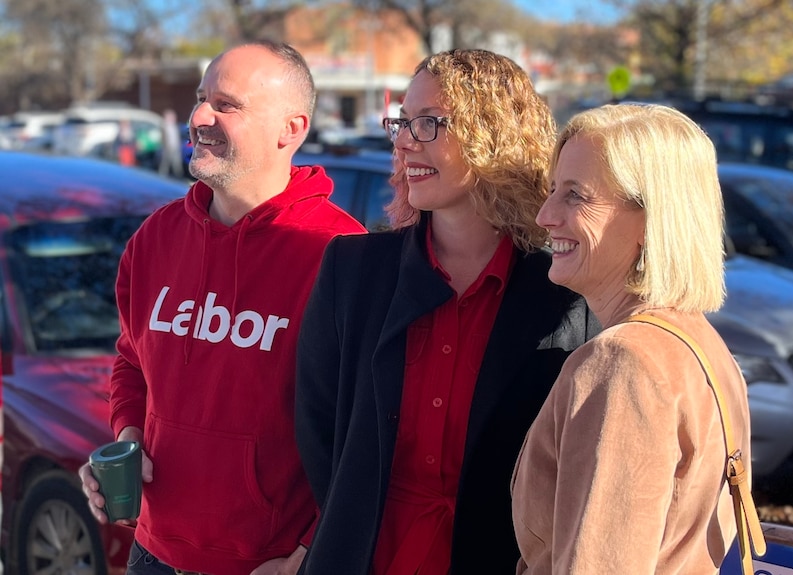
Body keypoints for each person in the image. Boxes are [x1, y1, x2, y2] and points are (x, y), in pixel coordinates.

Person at [294, 49, 599, 575]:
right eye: (403, 122)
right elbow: (318, 427)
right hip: (365, 555)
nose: (406, 139)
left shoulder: (563, 293)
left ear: (495, 135)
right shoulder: (353, 269)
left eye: (431, 122)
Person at [78, 40, 365, 575]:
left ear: (292, 129)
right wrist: (127, 441)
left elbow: (366, 431)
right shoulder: (155, 237)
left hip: (269, 565)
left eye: (226, 105)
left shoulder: (343, 253)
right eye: (200, 98)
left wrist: (307, 554)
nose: (198, 117)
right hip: (153, 554)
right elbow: (132, 363)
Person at [511, 103, 754, 574]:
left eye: (576, 196)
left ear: (650, 219)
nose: (545, 215)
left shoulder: (623, 362)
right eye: (552, 190)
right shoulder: (696, 341)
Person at [158, 108, 184, 178]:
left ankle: (179, 176)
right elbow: (163, 139)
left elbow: (177, 138)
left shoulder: (175, 126)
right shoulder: (164, 127)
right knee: (165, 164)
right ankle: (162, 177)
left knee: (176, 164)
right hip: (167, 148)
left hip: (175, 148)